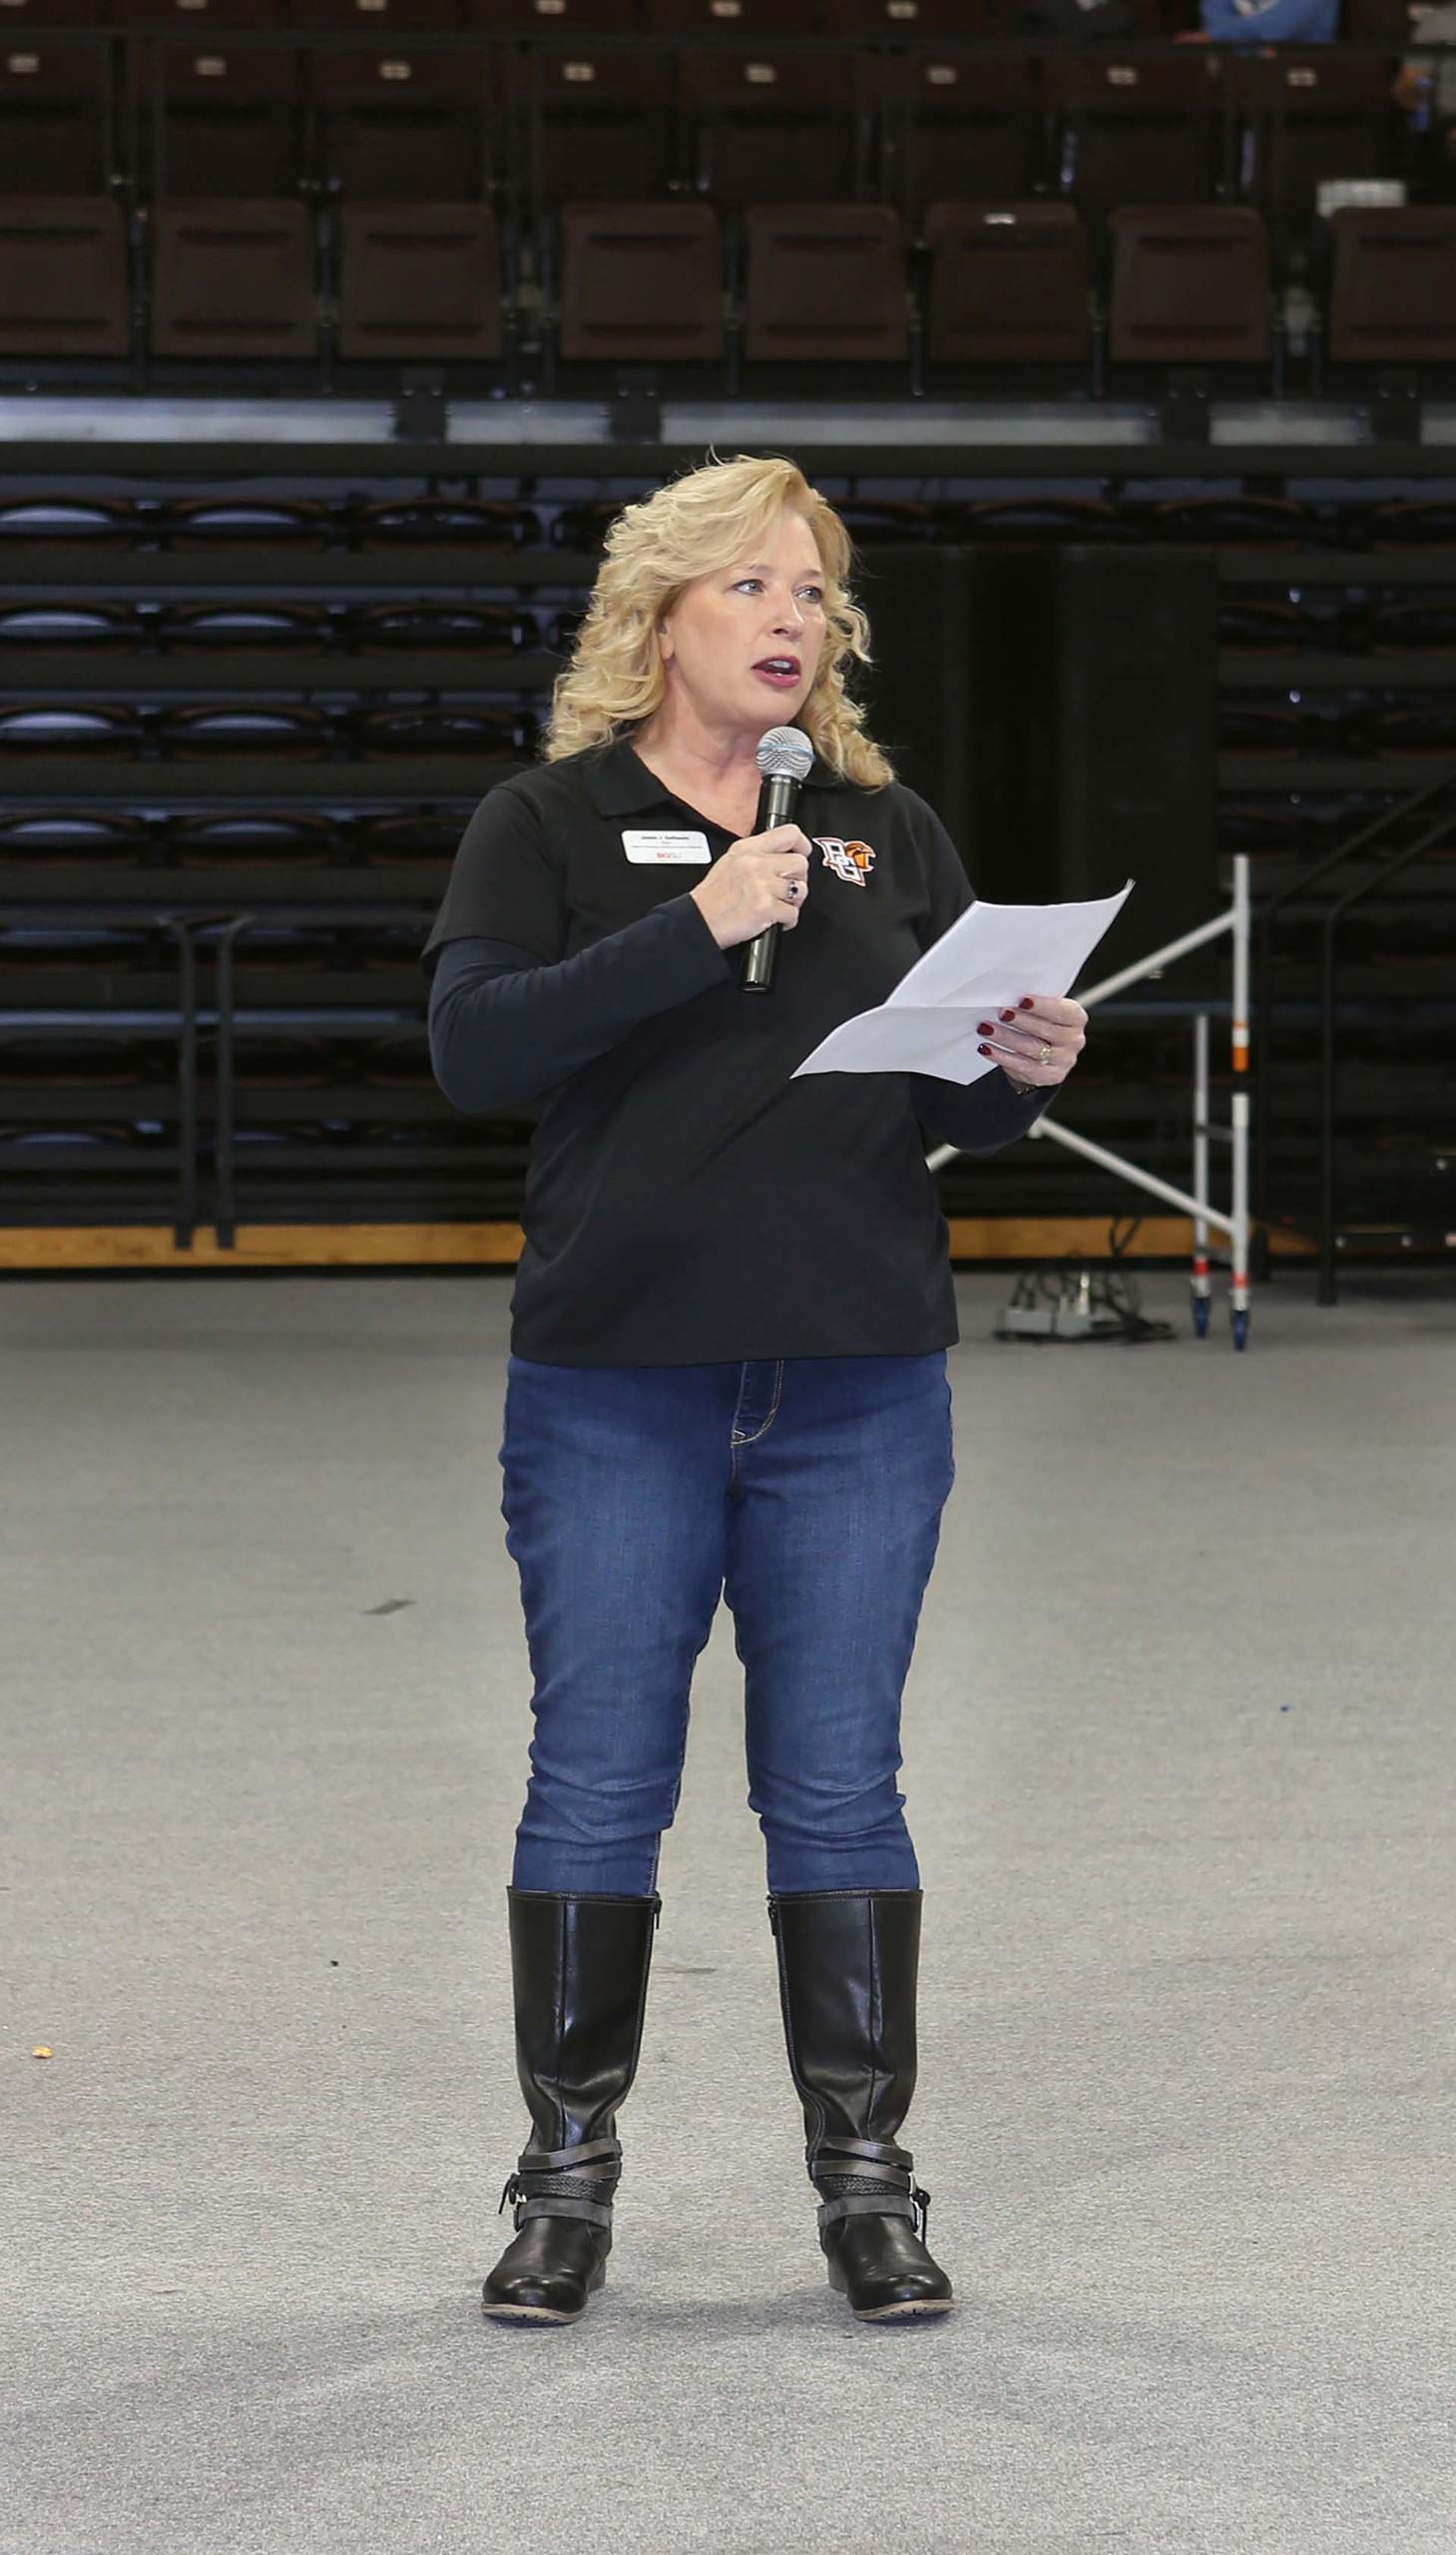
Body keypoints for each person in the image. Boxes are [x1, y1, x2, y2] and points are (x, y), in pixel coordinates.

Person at [422, 453, 1088, 2332]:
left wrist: (1019, 1065)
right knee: (595, 1781)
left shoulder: (881, 827)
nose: (792, 618)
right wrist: (695, 924)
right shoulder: (545, 821)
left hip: (857, 1379)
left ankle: (865, 2186)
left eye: (812, 592)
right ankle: (563, 2185)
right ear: (657, 619)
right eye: (751, 586)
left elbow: (945, 1093)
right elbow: (472, 1050)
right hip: (614, 1384)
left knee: (838, 1785)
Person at [1177, 0, 1337, 42]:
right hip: (1232, 85)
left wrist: (1215, 36)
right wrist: (1257, 51)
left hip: (1303, 87)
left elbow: (1278, 27)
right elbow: (1214, 19)